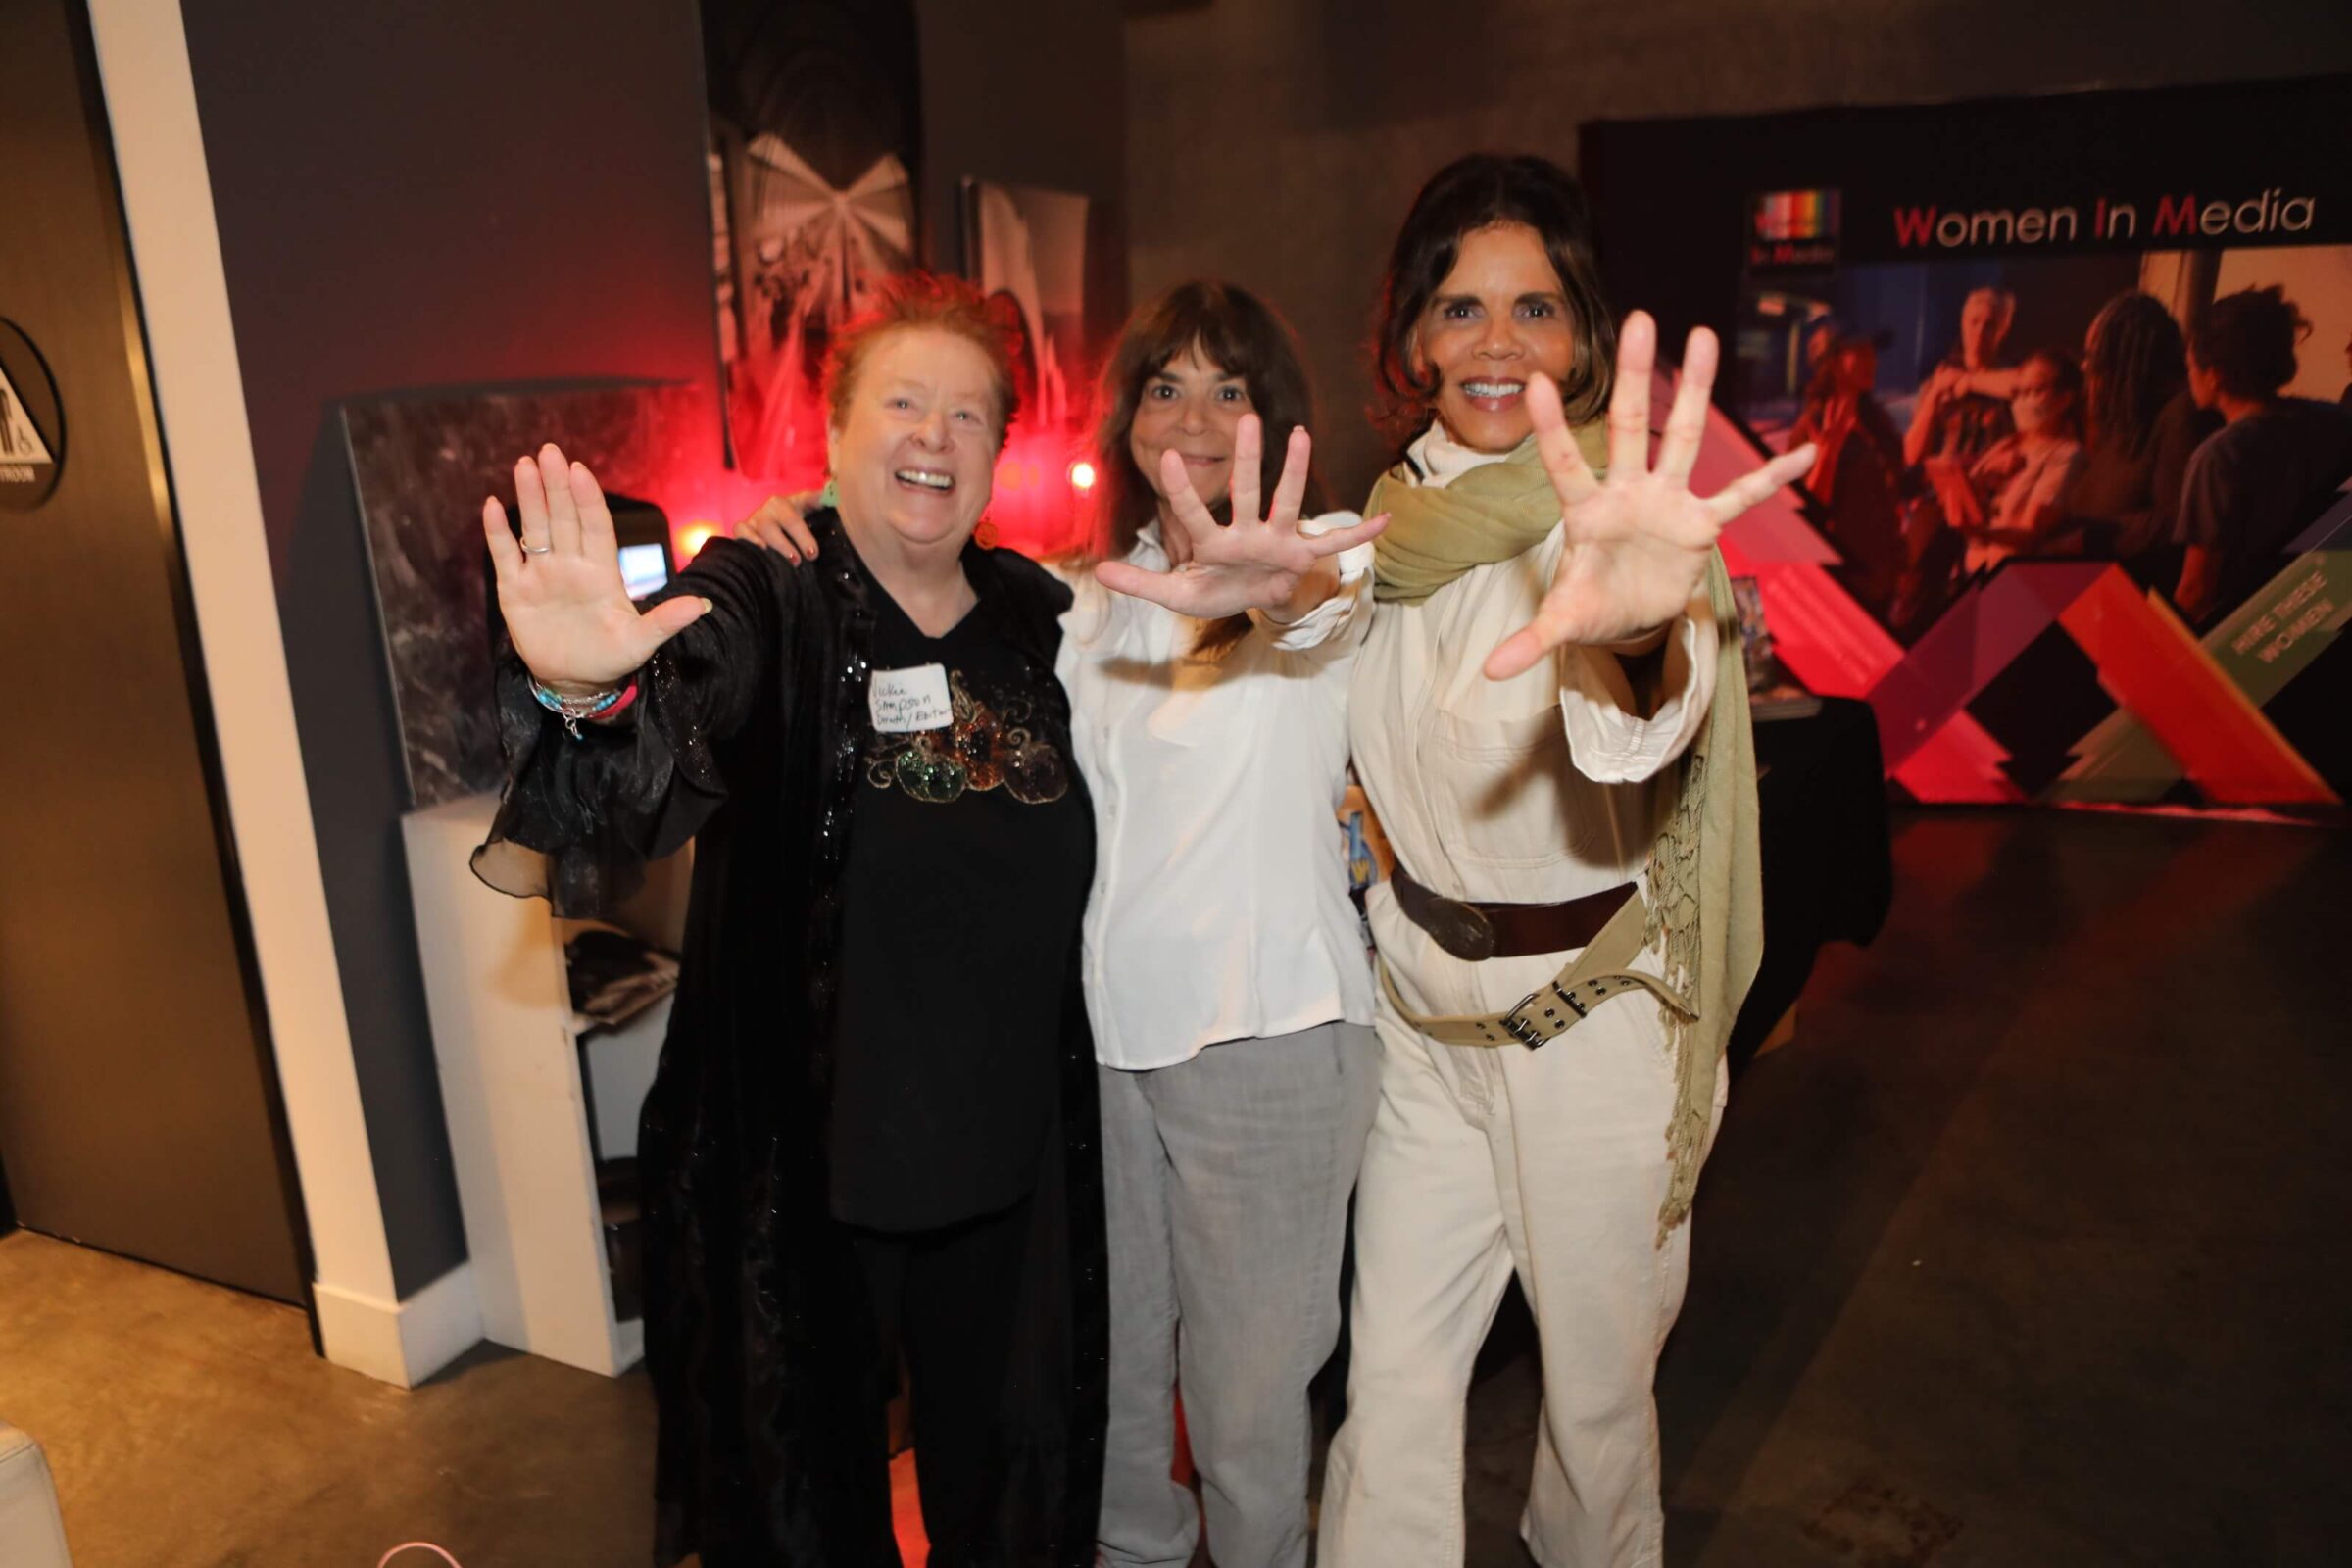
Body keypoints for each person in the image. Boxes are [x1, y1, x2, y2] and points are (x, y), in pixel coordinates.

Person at [741, 280, 1391, 1568]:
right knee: (1108, 1398)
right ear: (1125, 417)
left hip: (1265, 1040)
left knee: (1249, 1422)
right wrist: (803, 521)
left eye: (1229, 388)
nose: (1193, 417)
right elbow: (929, 559)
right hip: (1097, 1068)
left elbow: (1321, 600)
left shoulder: (1321, 548)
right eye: (1165, 385)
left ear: (1275, 414)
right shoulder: (1090, 599)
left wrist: (1280, 585)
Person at [473, 274, 1106, 1567]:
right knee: (802, 1513)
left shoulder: (1032, 621)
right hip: (815, 1181)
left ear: (998, 449)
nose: (934, 437)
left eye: (969, 414)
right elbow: (664, 724)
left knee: (1013, 1497)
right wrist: (585, 692)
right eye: (904, 403)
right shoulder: (769, 592)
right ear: (836, 429)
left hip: (1007, 1168)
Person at [1309, 153, 1811, 1567]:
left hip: (1591, 1038)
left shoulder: (1617, 525)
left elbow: (1635, 738)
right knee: (1389, 1389)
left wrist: (1643, 632)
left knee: (1596, 1411)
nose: (1497, 343)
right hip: (1426, 1033)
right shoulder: (1388, 522)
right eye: (1460, 306)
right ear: (1413, 336)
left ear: (1584, 332)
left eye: (1534, 307)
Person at [2173, 285, 2352, 625]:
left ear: (2215, 375)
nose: (2189, 374)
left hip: (2248, 635)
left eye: (2191, 364)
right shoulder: (2337, 422)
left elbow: (2196, 591)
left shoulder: (2218, 457)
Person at [2060, 291, 2220, 588]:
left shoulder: (2180, 416)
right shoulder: (2126, 420)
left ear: (2129, 357)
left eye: (2095, 355)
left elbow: (2176, 521)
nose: (2085, 367)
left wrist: (2093, 536)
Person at [1893, 285, 2016, 632]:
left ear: (2002, 329)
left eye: (1989, 325)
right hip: (1938, 499)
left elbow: (2019, 386)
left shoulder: (2008, 379)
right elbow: (1912, 452)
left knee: (1979, 600)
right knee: (1915, 585)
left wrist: (1969, 382)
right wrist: (1934, 398)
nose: (1979, 332)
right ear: (1963, 324)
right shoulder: (1939, 379)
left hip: (1988, 504)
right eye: (1973, 322)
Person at [1928, 347, 2086, 575]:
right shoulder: (2007, 444)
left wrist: (1980, 532)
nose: (2023, 401)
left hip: (2019, 580)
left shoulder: (2065, 455)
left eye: (2034, 391)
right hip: (1973, 572)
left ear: (2064, 399)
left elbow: (2031, 533)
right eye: (2019, 392)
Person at [1786, 332, 1905, 620]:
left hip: (1880, 581)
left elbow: (1896, 488)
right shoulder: (1811, 428)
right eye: (1859, 352)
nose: (1871, 361)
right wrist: (1829, 453)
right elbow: (1805, 514)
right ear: (1833, 363)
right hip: (1840, 583)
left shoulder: (1878, 422)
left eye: (1871, 352)